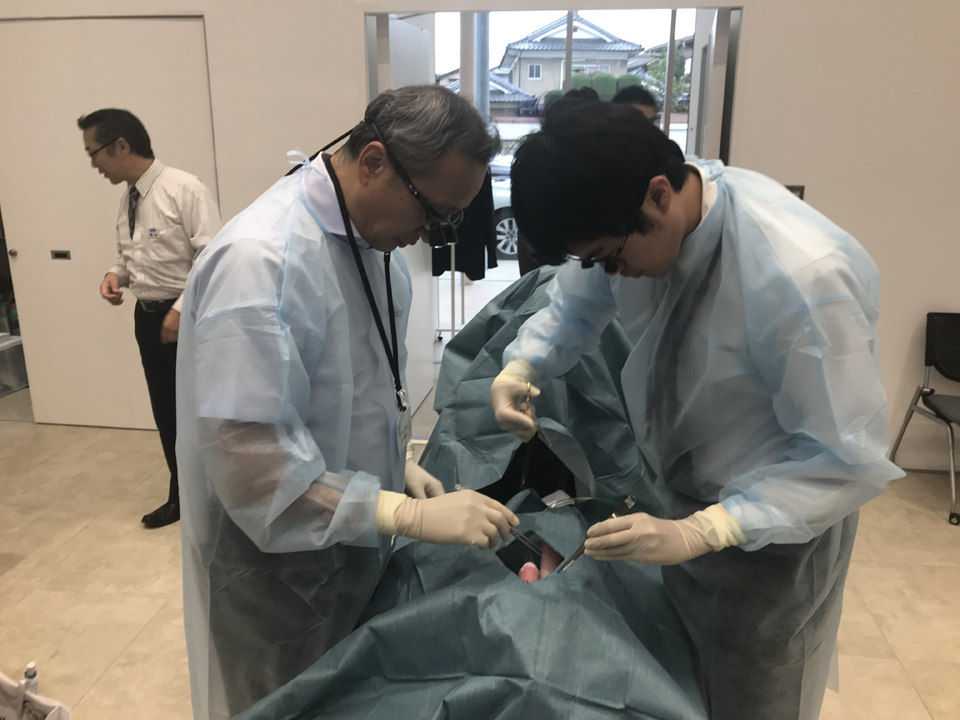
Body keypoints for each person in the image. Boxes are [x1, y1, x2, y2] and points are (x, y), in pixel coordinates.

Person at [489, 98, 904, 720]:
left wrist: (704, 531)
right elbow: (577, 306)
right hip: (681, 504)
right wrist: (524, 365)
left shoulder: (801, 276)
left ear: (659, 195)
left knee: (758, 696)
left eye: (609, 256)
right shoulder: (633, 218)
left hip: (776, 538)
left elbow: (843, 462)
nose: (610, 273)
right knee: (684, 690)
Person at [176, 85, 519, 720]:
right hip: (273, 572)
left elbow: (354, 390)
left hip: (349, 541)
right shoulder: (261, 262)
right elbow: (252, 473)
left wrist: (393, 465)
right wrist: (399, 513)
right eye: (434, 213)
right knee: (283, 704)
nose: (430, 234)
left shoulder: (374, 247)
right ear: (373, 162)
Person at [79, 109, 221, 529]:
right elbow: (131, 255)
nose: (94, 164)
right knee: (166, 412)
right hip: (148, 319)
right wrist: (115, 274)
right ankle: (182, 496)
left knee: (198, 414)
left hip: (186, 319)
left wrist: (180, 311)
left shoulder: (184, 189)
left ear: (121, 146)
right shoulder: (130, 197)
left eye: (94, 153)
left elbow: (213, 257)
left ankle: (215, 499)